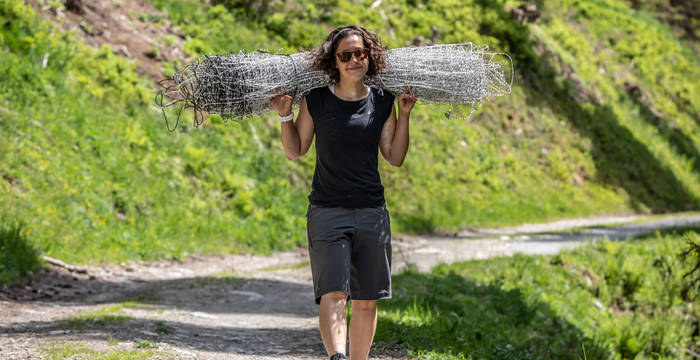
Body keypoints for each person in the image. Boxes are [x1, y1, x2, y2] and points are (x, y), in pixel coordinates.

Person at [269, 25, 417, 360]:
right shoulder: (317, 101)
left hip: (371, 212)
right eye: (345, 55)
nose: (354, 60)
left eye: (360, 53)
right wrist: (284, 116)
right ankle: (337, 356)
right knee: (333, 292)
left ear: (369, 56)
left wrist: (404, 115)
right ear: (333, 62)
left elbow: (394, 157)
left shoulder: (382, 101)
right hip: (326, 211)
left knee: (366, 299)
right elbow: (296, 150)